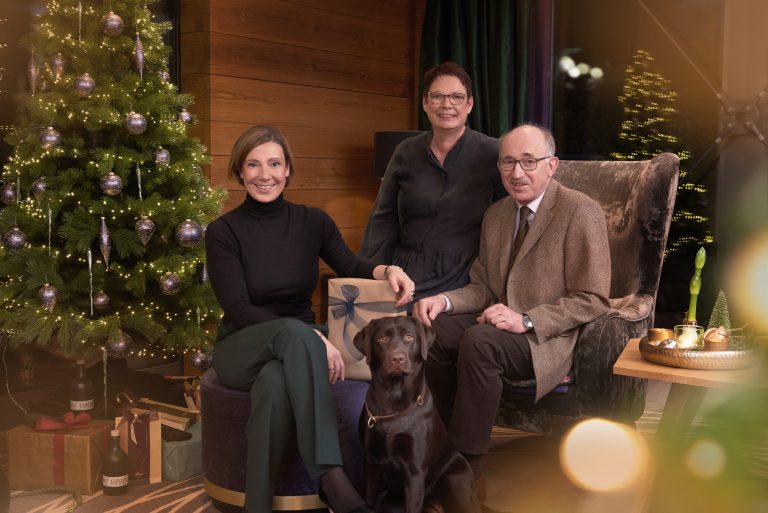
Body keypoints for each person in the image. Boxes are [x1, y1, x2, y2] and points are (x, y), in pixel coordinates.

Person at [205, 125, 415, 513]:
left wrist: (388, 271)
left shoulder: (312, 222)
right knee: (290, 337)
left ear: (287, 170)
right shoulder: (223, 232)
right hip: (242, 344)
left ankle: (256, 506)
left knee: (273, 384)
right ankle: (331, 480)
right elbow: (237, 308)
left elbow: (351, 265)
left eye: (273, 163)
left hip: (295, 346)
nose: (264, 174)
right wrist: (311, 337)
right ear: (239, 171)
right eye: (253, 164)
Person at [413, 123, 611, 482]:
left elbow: (593, 299)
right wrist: (442, 300)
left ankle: (463, 472)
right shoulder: (498, 215)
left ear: (552, 165)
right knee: (434, 330)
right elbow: (484, 287)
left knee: (479, 341)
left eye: (529, 161)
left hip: (545, 336)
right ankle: (439, 448)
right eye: (508, 162)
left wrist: (527, 320)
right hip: (500, 325)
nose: (517, 173)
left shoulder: (581, 211)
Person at [359, 61, 506, 301]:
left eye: (456, 97)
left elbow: (508, 219)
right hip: (404, 272)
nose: (446, 105)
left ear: (469, 104)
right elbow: (383, 218)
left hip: (463, 276)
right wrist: (370, 275)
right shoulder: (405, 151)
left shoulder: (493, 152)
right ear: (425, 103)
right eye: (437, 96)